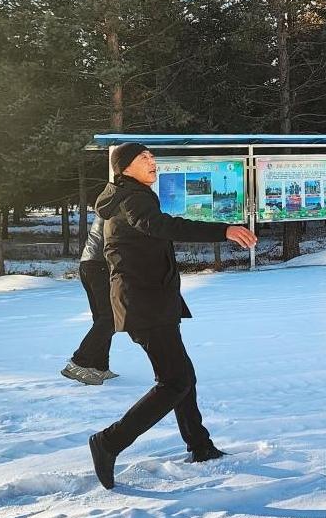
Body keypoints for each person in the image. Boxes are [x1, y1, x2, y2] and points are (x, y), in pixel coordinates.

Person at [88, 143, 257, 490]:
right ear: (125, 167)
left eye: (152, 157)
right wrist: (222, 230)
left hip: (150, 299)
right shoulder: (132, 198)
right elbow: (160, 226)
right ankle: (109, 442)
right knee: (175, 382)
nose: (153, 162)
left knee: (183, 376)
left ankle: (200, 445)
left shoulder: (127, 194)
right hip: (144, 302)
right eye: (144, 158)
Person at [60, 215, 118, 385]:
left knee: (102, 319)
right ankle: (79, 362)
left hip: (88, 263)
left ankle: (100, 367)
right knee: (111, 318)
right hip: (100, 265)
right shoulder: (120, 205)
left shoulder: (108, 204)